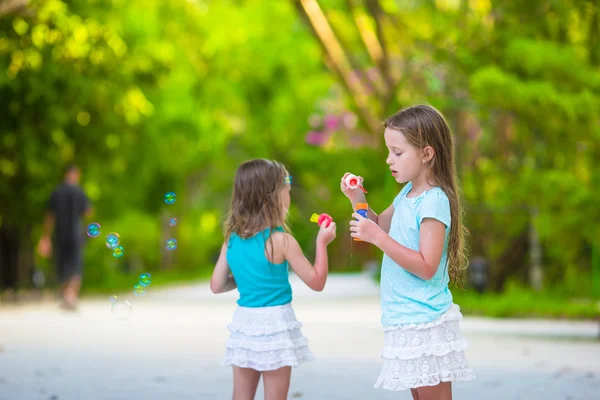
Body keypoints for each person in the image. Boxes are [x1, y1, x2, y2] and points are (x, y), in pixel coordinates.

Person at [341, 105, 475, 399]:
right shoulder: (407, 194)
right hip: (404, 318)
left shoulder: (433, 201)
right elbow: (376, 224)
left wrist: (376, 237)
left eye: (397, 152)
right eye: (388, 151)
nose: (389, 159)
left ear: (427, 154)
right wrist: (357, 198)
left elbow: (426, 266)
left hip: (425, 321)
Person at [210, 159, 337, 400]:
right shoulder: (282, 241)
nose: (288, 197)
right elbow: (317, 282)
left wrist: (247, 280)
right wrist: (322, 242)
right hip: (276, 324)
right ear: (274, 197)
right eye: (286, 192)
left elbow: (216, 285)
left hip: (245, 323)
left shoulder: (232, 239)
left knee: (241, 396)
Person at [37, 164, 92, 310]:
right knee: (76, 265)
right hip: (76, 234)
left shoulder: (56, 192)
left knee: (62, 264)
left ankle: (65, 295)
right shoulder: (80, 192)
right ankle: (71, 295)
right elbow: (87, 213)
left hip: (60, 234)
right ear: (76, 175)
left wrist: (45, 237)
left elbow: (49, 217)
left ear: (65, 174)